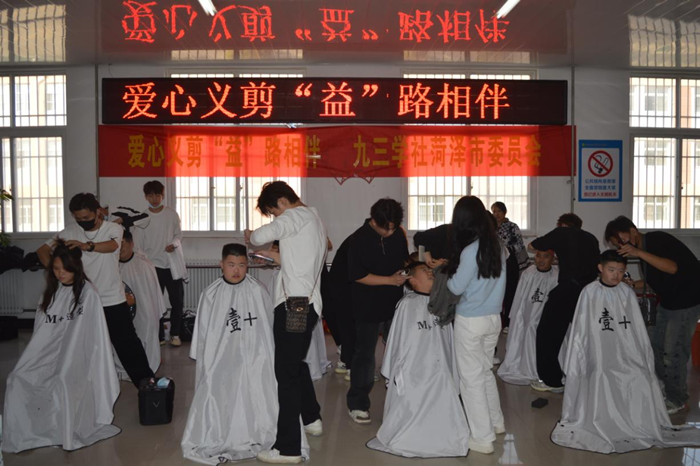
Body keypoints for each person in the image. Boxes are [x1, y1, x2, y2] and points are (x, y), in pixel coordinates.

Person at [551, 250, 700, 453]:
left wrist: (641, 354)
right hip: (599, 351)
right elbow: (582, 330)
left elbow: (636, 328)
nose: (616, 275)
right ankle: (603, 419)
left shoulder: (627, 292)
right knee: (602, 374)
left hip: (626, 351)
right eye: (611, 270)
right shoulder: (589, 292)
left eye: (621, 271)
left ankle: (637, 419)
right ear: (600, 268)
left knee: (640, 374)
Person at [181, 244, 308, 463]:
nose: (236, 270)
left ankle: (258, 431)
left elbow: (268, 325)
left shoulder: (258, 290)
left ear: (247, 265)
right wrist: (204, 358)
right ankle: (223, 433)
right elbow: (203, 331)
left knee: (258, 391)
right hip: (221, 358)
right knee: (222, 393)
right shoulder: (210, 294)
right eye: (231, 265)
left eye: (241, 265)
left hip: (256, 356)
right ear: (221, 265)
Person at [2, 243, 120, 453]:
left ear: (76, 268)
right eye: (56, 269)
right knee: (16, 378)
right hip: (47, 352)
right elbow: (41, 332)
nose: (60, 274)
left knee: (62, 379)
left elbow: (94, 335)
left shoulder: (88, 294)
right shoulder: (50, 293)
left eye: (65, 269)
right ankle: (29, 430)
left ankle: (63, 431)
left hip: (77, 354)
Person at [244, 181, 326, 464]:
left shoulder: (294, 215)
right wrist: (275, 257)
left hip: (294, 304)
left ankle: (288, 449)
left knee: (286, 373)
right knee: (295, 364)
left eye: (272, 212)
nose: (275, 217)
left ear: (281, 202)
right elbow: (300, 260)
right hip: (307, 303)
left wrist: (251, 235)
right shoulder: (313, 218)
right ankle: (311, 418)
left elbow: (260, 236)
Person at [37, 193, 155, 388]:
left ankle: (147, 387)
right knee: (80, 345)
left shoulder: (113, 228)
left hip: (112, 299)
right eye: (78, 218)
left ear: (97, 212)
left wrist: (87, 246)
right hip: (82, 300)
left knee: (128, 346)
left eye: (86, 217)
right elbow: (42, 251)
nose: (82, 221)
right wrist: (57, 270)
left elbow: (112, 246)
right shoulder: (70, 231)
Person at [367, 262, 469, 458]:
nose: (430, 272)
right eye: (424, 270)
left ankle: (442, 432)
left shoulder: (440, 301)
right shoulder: (407, 305)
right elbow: (398, 340)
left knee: (442, 393)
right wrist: (397, 367)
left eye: (430, 270)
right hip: (414, 367)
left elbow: (447, 338)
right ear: (412, 280)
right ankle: (410, 432)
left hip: (439, 369)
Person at [605, 216, 700, 414]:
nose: (621, 246)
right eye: (616, 245)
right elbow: (655, 281)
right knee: (653, 345)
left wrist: (638, 252)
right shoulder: (643, 253)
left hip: (686, 302)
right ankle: (667, 389)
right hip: (667, 302)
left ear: (632, 231)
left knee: (673, 352)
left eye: (620, 240)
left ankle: (677, 399)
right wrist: (632, 284)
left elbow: (672, 268)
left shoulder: (657, 239)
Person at [446, 196, 506, 455]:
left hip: (471, 321)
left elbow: (456, 287)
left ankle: (482, 438)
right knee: (484, 372)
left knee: (470, 379)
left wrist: (447, 275)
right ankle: (496, 422)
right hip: (493, 319)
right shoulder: (498, 247)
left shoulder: (470, 251)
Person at [346, 198, 409, 424]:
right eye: (386, 228)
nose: (390, 232)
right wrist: (389, 280)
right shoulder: (358, 239)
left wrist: (405, 273)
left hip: (394, 302)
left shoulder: (398, 234)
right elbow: (357, 275)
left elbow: (403, 260)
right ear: (374, 220)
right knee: (365, 354)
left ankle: (402, 397)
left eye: (394, 227)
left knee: (400, 349)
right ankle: (358, 403)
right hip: (367, 304)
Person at [528, 213, 600, 393]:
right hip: (588, 292)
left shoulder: (562, 233)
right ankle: (591, 376)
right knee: (583, 335)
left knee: (547, 334)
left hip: (567, 290)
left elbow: (532, 246)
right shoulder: (591, 238)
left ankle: (551, 380)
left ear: (562, 225)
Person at [497, 249, 559, 385]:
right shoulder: (528, 273)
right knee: (529, 326)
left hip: (546, 316)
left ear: (553, 258)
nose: (541, 260)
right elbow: (520, 297)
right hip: (527, 314)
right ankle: (526, 365)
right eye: (538, 256)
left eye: (545, 256)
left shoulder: (556, 276)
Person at [137, 180, 187, 347]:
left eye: (157, 195)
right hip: (152, 267)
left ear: (162, 195)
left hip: (172, 265)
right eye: (150, 196)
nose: (154, 199)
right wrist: (144, 263)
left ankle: (175, 334)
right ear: (146, 197)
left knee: (177, 301)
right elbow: (139, 245)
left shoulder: (171, 214)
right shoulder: (143, 218)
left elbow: (179, 235)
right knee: (154, 303)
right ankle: (158, 336)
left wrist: (173, 244)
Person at [117, 230, 166, 380]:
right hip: (121, 312)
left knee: (146, 333)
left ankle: (147, 368)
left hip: (144, 310)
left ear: (132, 244)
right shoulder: (111, 265)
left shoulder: (144, 266)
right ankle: (123, 368)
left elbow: (150, 295)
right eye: (116, 244)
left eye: (123, 244)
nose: (119, 248)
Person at [491, 202, 528, 332]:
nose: (496, 214)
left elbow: (519, 245)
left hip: (509, 262)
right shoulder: (490, 227)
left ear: (505, 212)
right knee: (494, 291)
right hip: (494, 262)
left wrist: (506, 249)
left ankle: (507, 322)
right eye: (494, 212)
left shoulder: (512, 226)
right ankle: (496, 322)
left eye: (499, 211)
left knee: (509, 291)